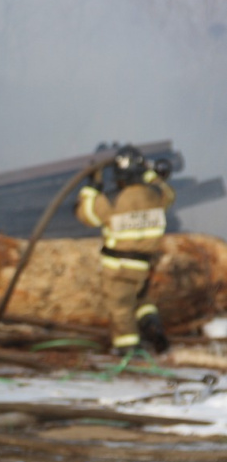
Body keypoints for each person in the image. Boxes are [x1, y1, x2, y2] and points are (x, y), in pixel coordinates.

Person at [75, 145, 176, 361]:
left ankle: (128, 349)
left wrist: (92, 188)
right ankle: (152, 325)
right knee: (140, 299)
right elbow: (169, 193)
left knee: (120, 308)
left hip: (118, 267)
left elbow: (87, 215)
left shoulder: (113, 201)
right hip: (143, 266)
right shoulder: (157, 195)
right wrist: (151, 175)